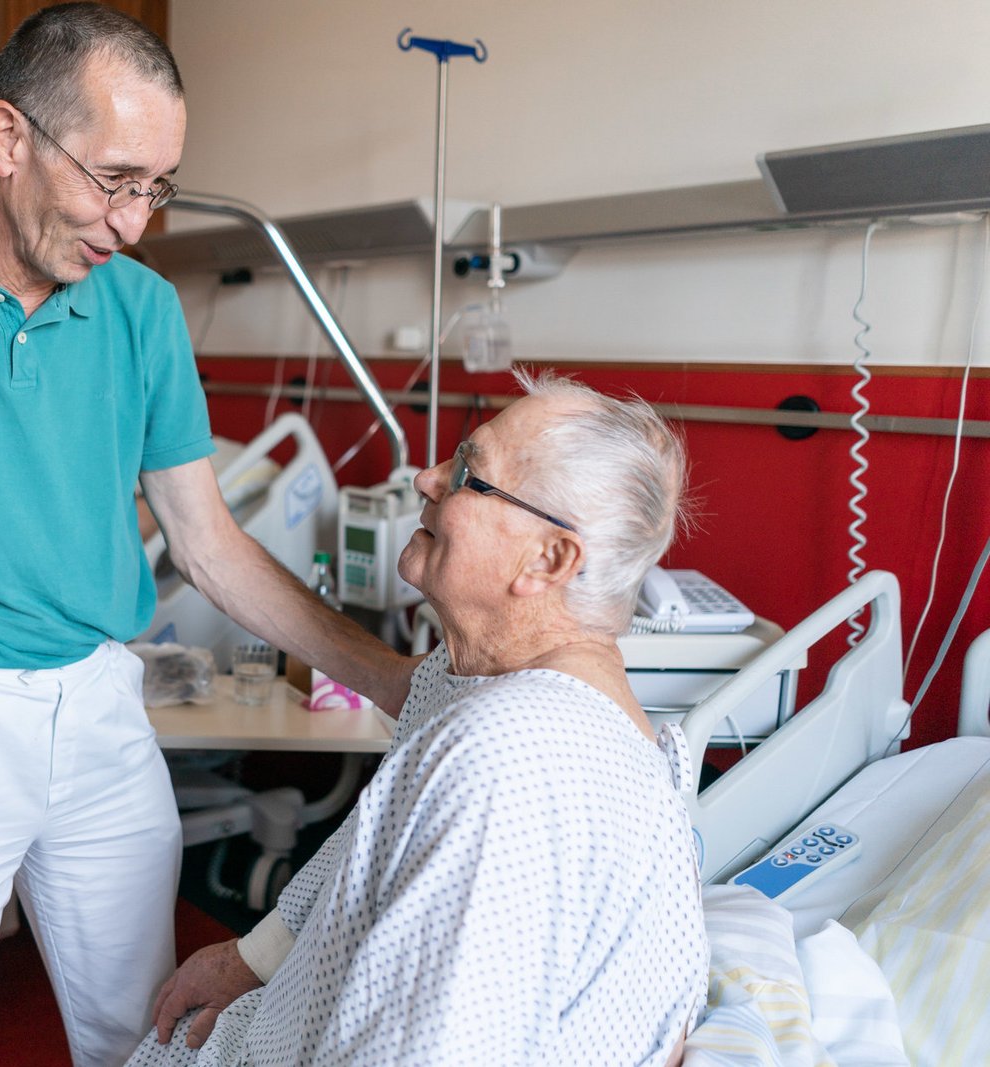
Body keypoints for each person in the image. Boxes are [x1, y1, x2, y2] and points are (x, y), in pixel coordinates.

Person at [0, 6, 414, 1066]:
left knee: (144, 1033)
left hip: (102, 707)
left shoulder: (142, 312)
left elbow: (207, 542)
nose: (135, 222)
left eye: (158, 187)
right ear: (8, 139)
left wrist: (394, 679)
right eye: (113, 179)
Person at [135, 370, 709, 1066]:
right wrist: (252, 957)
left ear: (549, 557)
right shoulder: (485, 684)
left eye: (470, 473)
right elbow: (374, 790)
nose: (429, 478)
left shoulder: (508, 762)